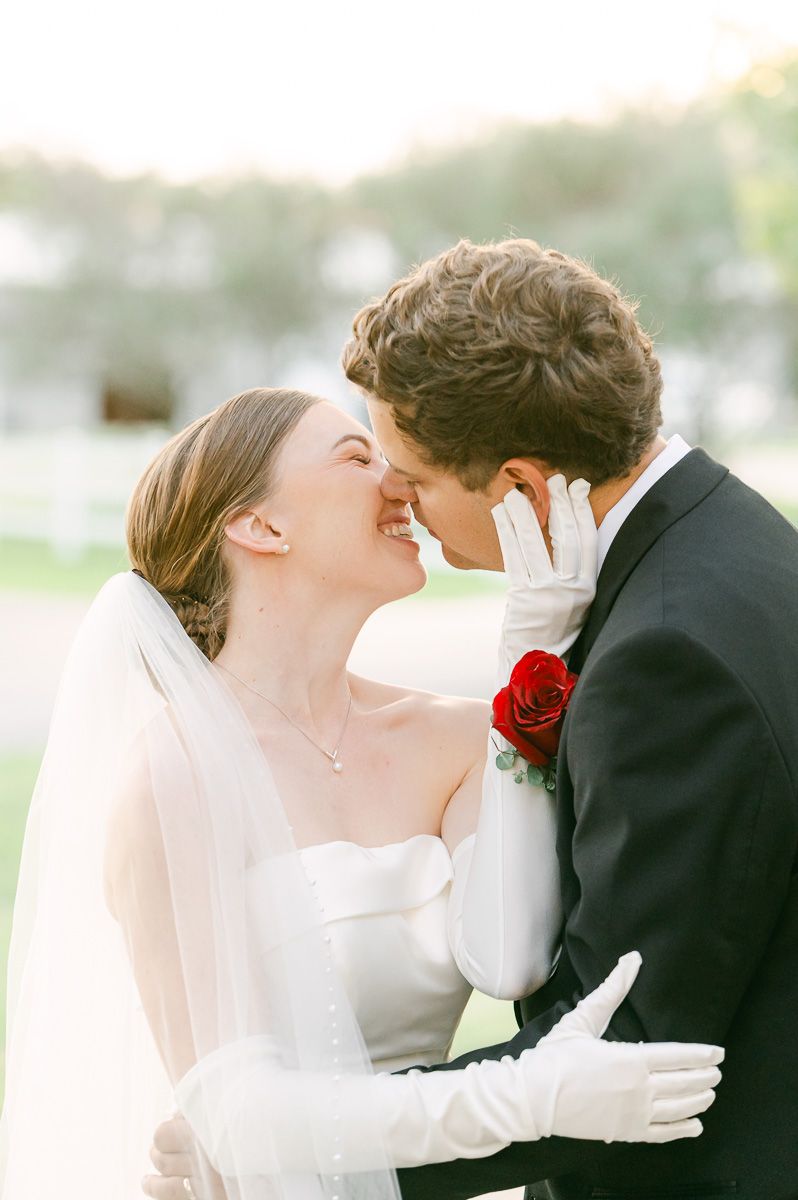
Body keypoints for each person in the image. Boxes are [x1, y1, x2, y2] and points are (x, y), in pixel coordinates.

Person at [0, 387, 721, 1200]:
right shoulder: (174, 780)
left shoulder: (451, 738)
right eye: (357, 457)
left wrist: (531, 650)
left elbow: (509, 957)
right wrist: (530, 1096)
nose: (401, 482)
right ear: (261, 526)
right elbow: (238, 1115)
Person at [334, 237, 798, 1200]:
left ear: (523, 488)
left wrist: (308, 1163)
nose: (401, 501)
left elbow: (617, 1049)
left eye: (414, 477)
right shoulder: (730, 538)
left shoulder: (666, 662)